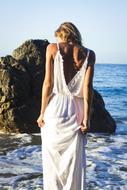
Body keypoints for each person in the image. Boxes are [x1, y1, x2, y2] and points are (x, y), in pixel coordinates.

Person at [37, 22, 95, 190]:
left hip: (55, 110)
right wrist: (87, 118)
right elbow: (87, 88)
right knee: (74, 164)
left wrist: (42, 113)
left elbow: (47, 83)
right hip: (76, 112)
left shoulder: (52, 49)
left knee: (53, 164)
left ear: (63, 35)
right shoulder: (89, 54)